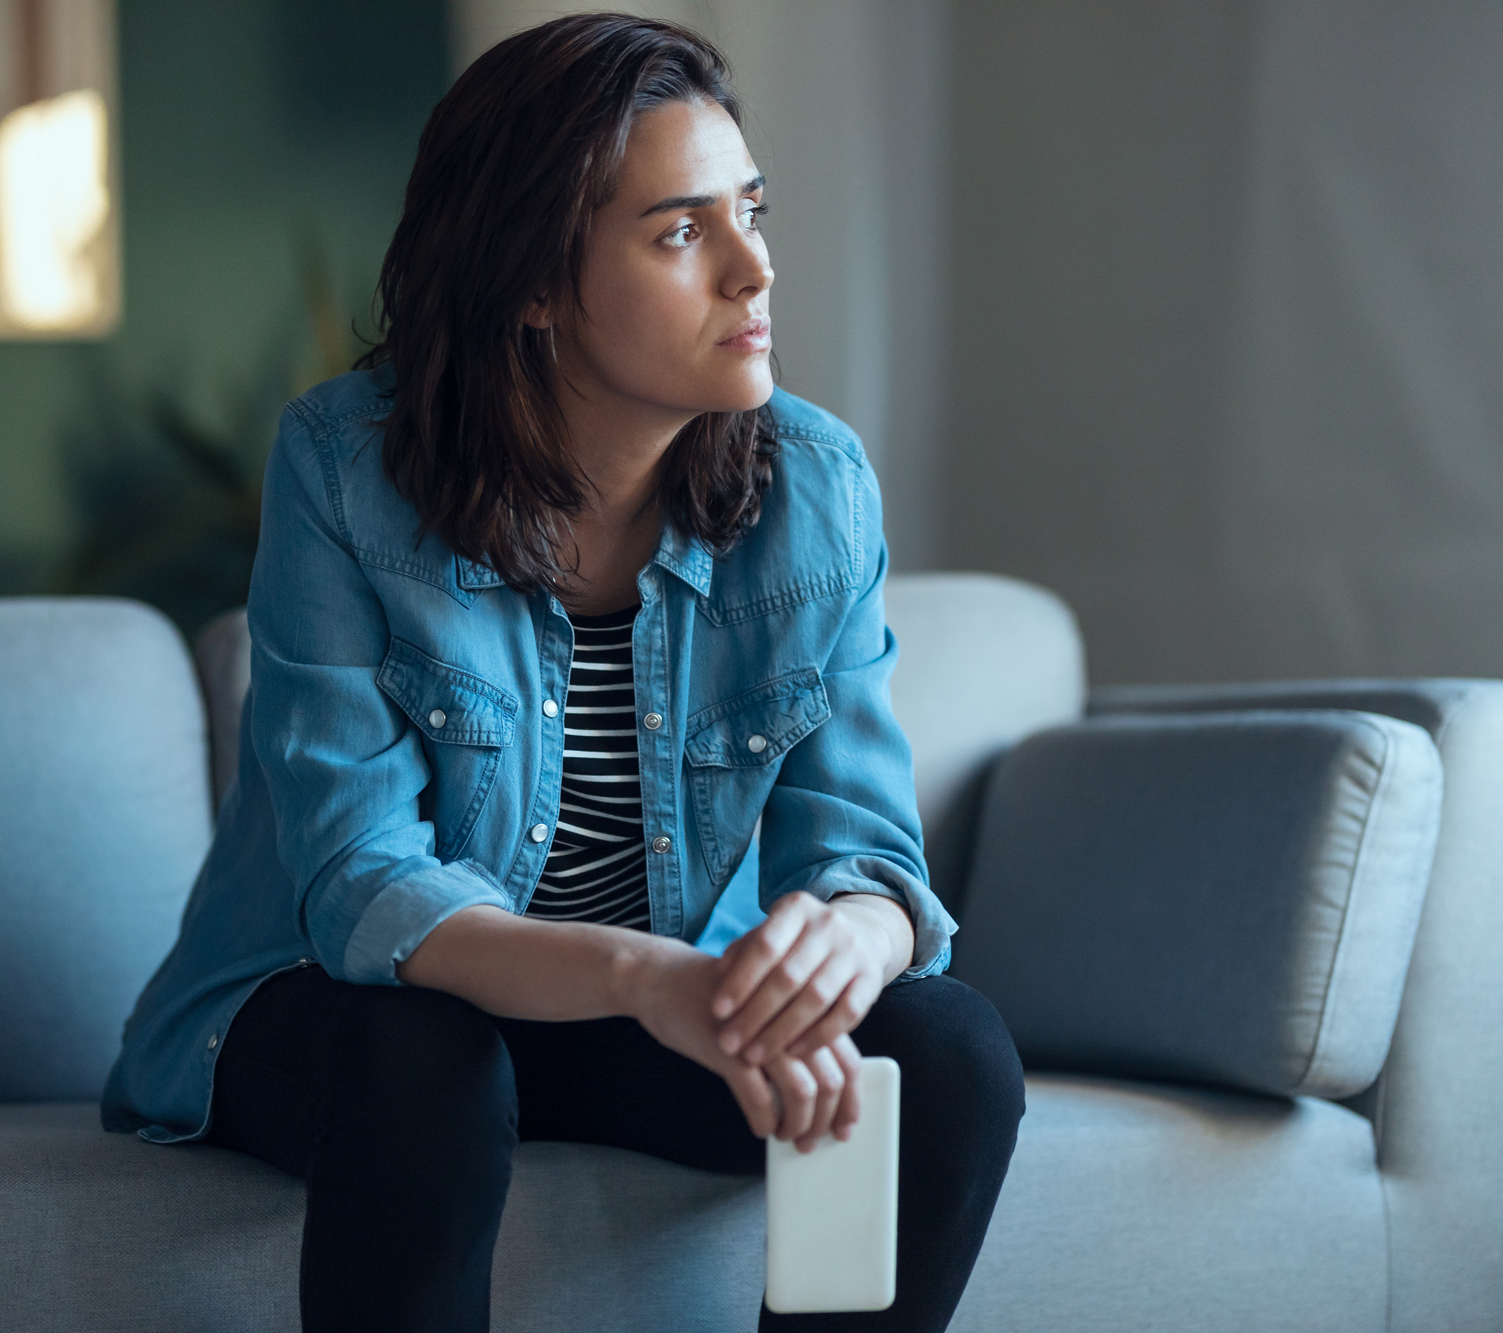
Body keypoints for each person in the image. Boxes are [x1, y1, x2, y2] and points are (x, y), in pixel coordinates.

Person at [102, 14, 1023, 1331]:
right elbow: (369, 885)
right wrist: (647, 980)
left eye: (751, 211)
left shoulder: (816, 490)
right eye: (681, 232)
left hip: (647, 1007)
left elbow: (867, 849)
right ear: (531, 278)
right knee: (428, 1057)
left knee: (942, 1051)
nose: (755, 270)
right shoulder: (344, 468)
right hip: (347, 1013)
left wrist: (846, 943)